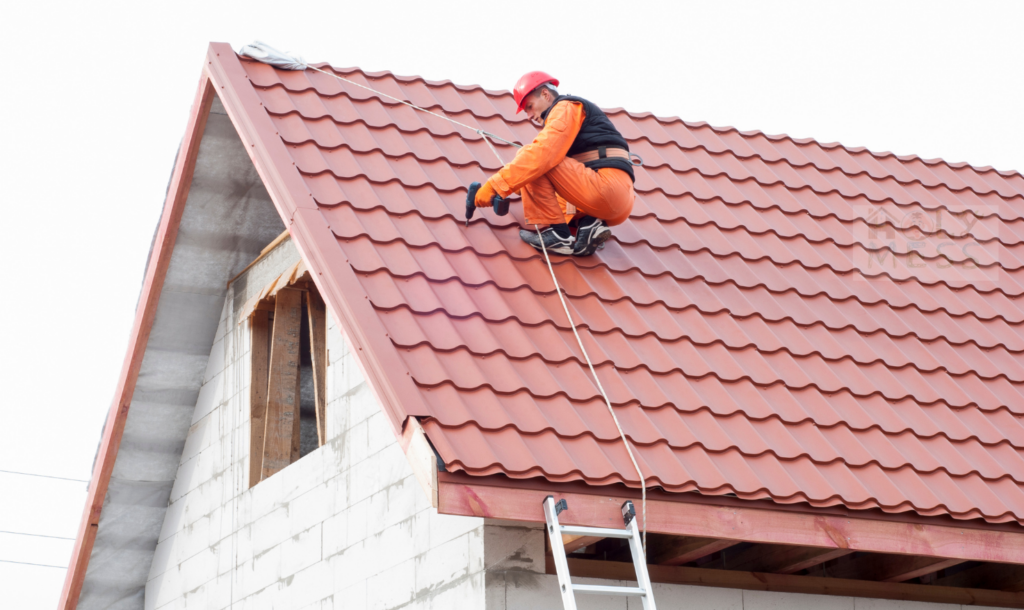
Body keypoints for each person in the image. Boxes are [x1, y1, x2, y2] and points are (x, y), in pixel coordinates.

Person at [472, 71, 636, 256]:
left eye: (530, 106)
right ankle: (589, 225)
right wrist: (513, 188)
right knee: (535, 166)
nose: (529, 115)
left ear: (545, 94)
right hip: (618, 200)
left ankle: (559, 235)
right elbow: (556, 177)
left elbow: (542, 155)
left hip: (604, 188)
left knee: (532, 156)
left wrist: (495, 187)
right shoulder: (574, 118)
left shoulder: (565, 106)